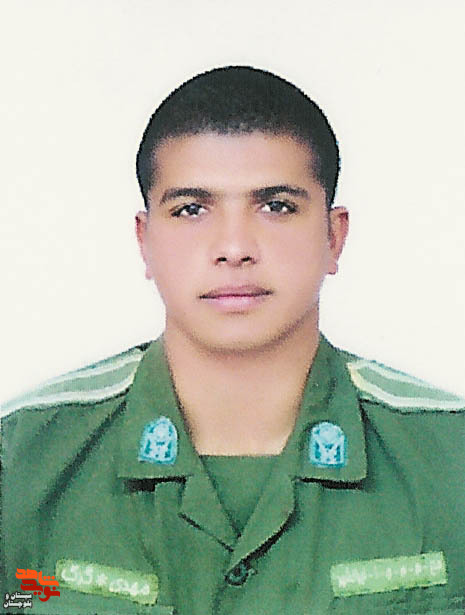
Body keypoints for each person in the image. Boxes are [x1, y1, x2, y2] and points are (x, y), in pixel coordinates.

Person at [1, 66, 464, 615]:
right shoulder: (21, 461)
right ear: (145, 241)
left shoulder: (450, 458)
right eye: (191, 209)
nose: (235, 247)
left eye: (277, 206)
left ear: (334, 236)